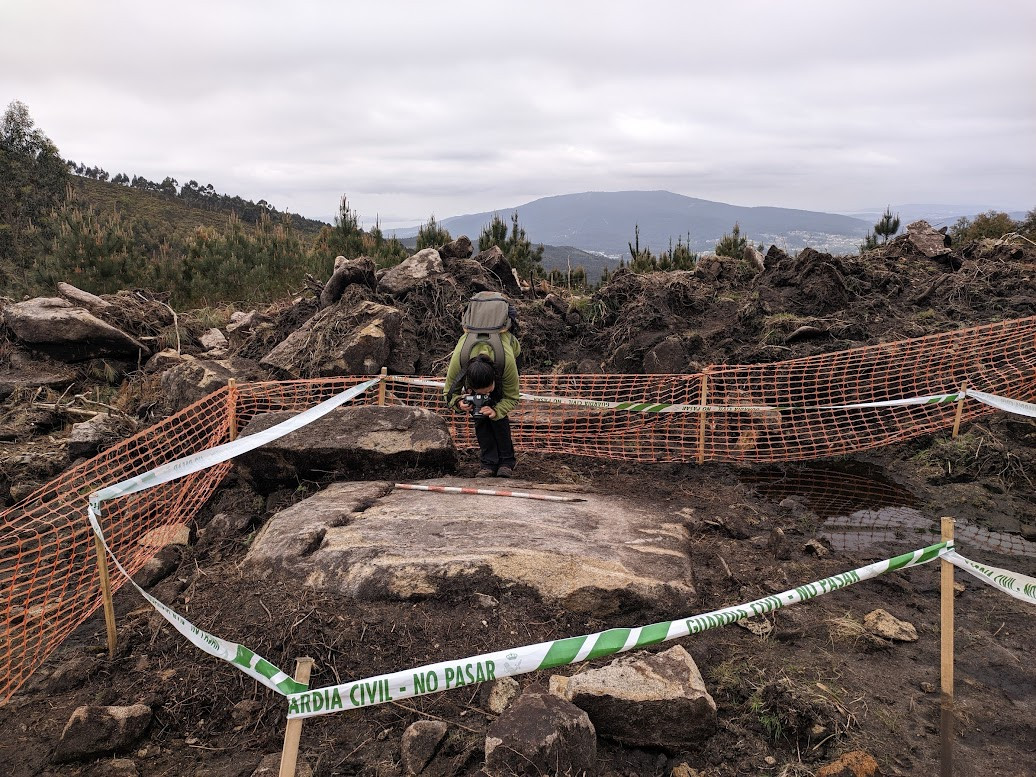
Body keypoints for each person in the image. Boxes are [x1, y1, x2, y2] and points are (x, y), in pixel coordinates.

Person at [444, 332, 521, 478]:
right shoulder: (459, 359)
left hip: (506, 357)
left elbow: (512, 397)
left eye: (488, 390)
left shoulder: (506, 362)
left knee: (498, 420)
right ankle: (488, 463)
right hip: (472, 366)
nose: (485, 395)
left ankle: (506, 463)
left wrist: (497, 410)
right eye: (480, 392)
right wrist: (459, 403)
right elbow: (449, 393)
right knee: (480, 418)